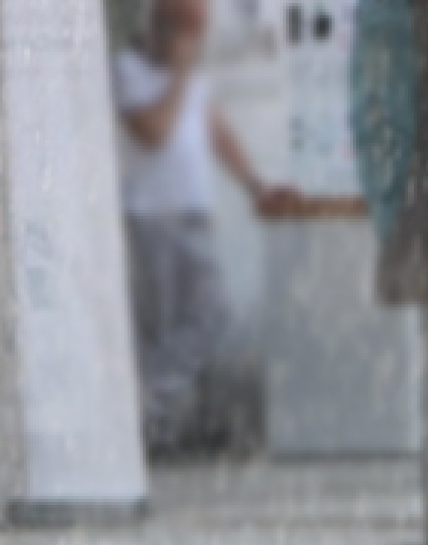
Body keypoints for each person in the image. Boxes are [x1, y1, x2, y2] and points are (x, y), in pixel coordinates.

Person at [115, 0, 295, 455]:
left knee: (203, 314)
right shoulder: (130, 69)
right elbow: (153, 132)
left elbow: (217, 133)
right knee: (184, 317)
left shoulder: (191, 79)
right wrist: (177, 75)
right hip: (153, 216)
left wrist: (255, 186)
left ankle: (153, 407)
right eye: (186, 35)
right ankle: (151, 409)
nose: (193, 47)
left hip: (191, 216)